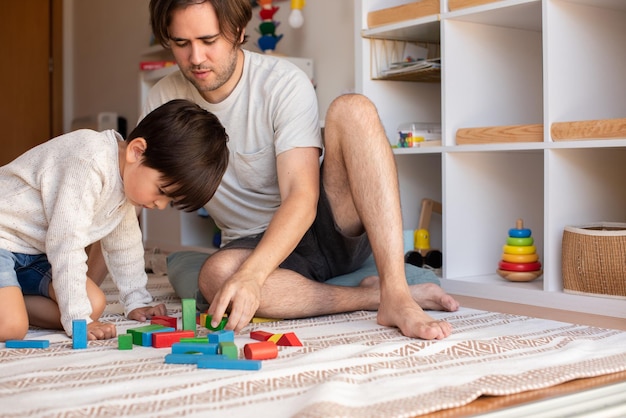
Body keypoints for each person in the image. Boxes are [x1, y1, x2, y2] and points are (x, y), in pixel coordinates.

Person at [132, 0, 460, 341]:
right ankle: (374, 297)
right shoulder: (163, 99)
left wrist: (253, 277)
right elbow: (128, 190)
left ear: (239, 31)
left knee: (354, 109)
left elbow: (302, 197)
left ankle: (397, 292)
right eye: (181, 44)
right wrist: (86, 290)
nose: (196, 58)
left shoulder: (282, 82)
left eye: (209, 40)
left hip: (322, 225)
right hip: (249, 243)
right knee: (216, 276)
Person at [0, 99, 229, 342]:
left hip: (32, 255)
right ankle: (10, 308)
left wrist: (136, 301)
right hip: (4, 238)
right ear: (136, 151)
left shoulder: (125, 183)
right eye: (161, 191)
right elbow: (66, 245)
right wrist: (78, 321)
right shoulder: (88, 161)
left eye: (169, 201)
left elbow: (125, 245)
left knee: (94, 303)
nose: (159, 205)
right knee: (12, 327)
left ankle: (11, 299)